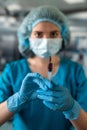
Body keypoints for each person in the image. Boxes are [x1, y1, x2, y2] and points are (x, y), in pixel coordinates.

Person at [0, 5, 87, 130]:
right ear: (28, 37)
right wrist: (17, 100)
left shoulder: (75, 71)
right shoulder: (12, 71)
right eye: (38, 34)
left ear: (62, 36)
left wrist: (72, 107)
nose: (46, 41)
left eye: (53, 34)